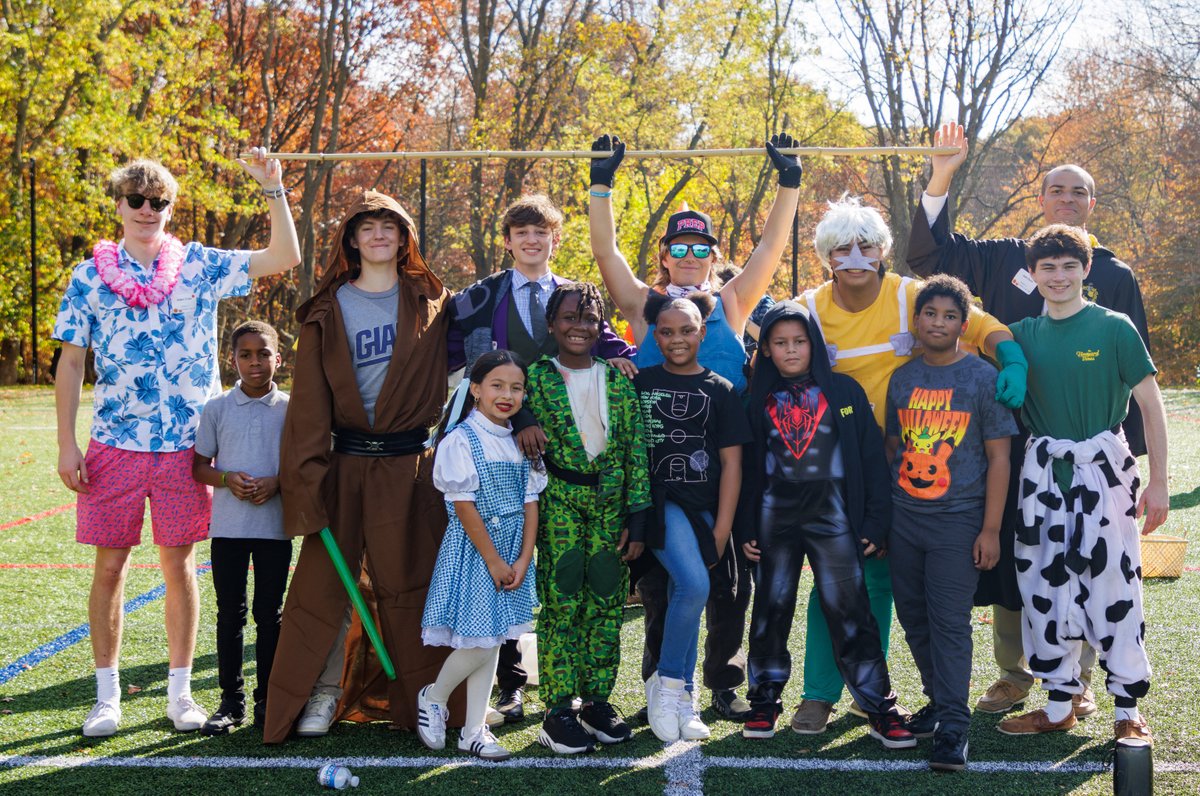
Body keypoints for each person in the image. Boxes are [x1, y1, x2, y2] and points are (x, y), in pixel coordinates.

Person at [907, 121, 1152, 717]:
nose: (1067, 199)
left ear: (1092, 205)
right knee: (1023, 562)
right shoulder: (1001, 260)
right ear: (1038, 199)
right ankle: (1015, 673)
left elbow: (1137, 372)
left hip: (1090, 450)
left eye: (1079, 193)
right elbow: (929, 255)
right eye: (1056, 190)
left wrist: (1128, 460)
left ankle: (1083, 677)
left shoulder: (1113, 277)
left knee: (1092, 564)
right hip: (1010, 447)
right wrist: (942, 173)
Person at [53, 150, 300, 738]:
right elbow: (70, 361)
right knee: (110, 568)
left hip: (190, 445)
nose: (146, 210)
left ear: (170, 208)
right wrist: (67, 443)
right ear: (118, 205)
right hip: (114, 441)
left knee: (179, 565)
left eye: (158, 201)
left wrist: (272, 189)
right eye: (135, 200)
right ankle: (106, 697)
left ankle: (181, 693)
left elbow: (284, 257)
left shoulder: (198, 265)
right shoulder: (90, 274)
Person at [789, 196, 1024, 735]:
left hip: (908, 468)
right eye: (842, 247)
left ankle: (873, 692)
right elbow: (770, 342)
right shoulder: (810, 305)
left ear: (882, 251)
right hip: (834, 466)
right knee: (834, 581)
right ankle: (819, 694)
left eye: (866, 245)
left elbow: (984, 325)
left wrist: (1012, 358)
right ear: (827, 255)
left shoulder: (911, 295)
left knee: (887, 583)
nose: (855, 256)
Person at [589, 131, 801, 721]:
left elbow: (770, 250)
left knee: (731, 589)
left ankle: (720, 683)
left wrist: (789, 184)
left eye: (699, 249)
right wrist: (600, 186)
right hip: (658, 477)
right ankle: (660, 683)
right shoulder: (646, 307)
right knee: (661, 590)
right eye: (678, 249)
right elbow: (606, 255)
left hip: (730, 469)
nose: (688, 257)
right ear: (663, 256)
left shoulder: (729, 306)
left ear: (712, 254)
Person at [264, 191, 453, 743]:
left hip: (410, 468)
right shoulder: (328, 308)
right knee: (324, 588)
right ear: (351, 239)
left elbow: (503, 347)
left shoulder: (432, 302)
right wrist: (306, 483)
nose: (377, 236)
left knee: (414, 585)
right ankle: (322, 695)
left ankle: (427, 699)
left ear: (403, 239)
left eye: (388, 227)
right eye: (366, 227)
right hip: (345, 464)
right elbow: (306, 410)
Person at [446, 194, 635, 723]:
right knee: (504, 552)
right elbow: (447, 355)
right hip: (501, 442)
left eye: (541, 233)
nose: (532, 241)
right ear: (507, 240)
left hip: (569, 453)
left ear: (554, 239)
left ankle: (579, 690)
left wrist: (623, 359)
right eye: (521, 233)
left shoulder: (575, 297)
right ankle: (510, 683)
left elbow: (605, 340)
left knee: (561, 570)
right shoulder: (479, 298)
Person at [995, 225, 1167, 744]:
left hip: (1105, 471)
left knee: (1114, 586)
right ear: (1033, 274)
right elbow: (973, 331)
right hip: (1043, 472)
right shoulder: (1020, 334)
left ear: (1086, 270)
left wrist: (1160, 481)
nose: (1059, 275)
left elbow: (1151, 405)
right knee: (1044, 586)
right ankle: (1056, 704)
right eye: (1047, 267)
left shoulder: (1114, 328)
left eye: (1069, 265)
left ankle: (1127, 710)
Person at [738, 301, 914, 750]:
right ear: (768, 350)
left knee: (851, 611)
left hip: (833, 517)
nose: (791, 350)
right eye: (780, 343)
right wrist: (745, 527)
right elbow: (744, 470)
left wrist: (877, 520)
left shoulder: (845, 391)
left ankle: (879, 706)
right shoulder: (755, 397)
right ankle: (764, 700)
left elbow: (873, 461)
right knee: (771, 610)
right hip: (774, 519)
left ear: (814, 343)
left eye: (799, 341)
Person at [883, 276, 1018, 770]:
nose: (938, 322)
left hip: (958, 522)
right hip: (905, 519)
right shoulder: (903, 377)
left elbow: (999, 459)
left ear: (964, 324)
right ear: (916, 321)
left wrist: (989, 529)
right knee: (913, 617)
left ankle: (955, 728)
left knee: (948, 623)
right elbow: (893, 448)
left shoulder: (981, 377)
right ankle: (938, 703)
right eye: (929, 314)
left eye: (949, 316)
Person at [524, 282, 652, 754]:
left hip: (612, 506)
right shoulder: (534, 377)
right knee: (561, 601)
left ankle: (597, 701)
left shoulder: (618, 378)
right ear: (552, 324)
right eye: (569, 318)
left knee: (604, 601)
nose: (579, 326)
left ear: (601, 327)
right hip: (560, 501)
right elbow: (497, 400)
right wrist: (522, 420)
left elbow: (636, 450)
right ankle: (558, 709)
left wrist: (637, 518)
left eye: (589, 319)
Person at [633, 294, 752, 743]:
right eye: (666, 331)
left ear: (703, 332)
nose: (677, 339)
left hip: (704, 509)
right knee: (694, 586)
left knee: (694, 590)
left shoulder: (719, 389)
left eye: (687, 330)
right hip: (659, 505)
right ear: (653, 336)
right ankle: (668, 688)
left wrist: (722, 530)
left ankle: (683, 698)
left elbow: (733, 466)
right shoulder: (639, 382)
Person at [416, 350, 544, 762]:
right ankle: (434, 696)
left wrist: (524, 559)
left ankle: (474, 730)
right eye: (497, 385)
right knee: (482, 640)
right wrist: (493, 559)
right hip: (477, 550)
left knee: (493, 640)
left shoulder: (520, 440)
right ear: (475, 390)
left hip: (512, 550)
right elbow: (464, 506)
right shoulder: (462, 440)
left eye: (516, 387)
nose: (507, 395)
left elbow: (530, 502)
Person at [192, 320, 291, 735]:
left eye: (263, 353)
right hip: (228, 529)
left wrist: (278, 482)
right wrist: (227, 478)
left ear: (278, 358)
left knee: (270, 615)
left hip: (275, 529)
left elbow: (305, 466)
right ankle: (230, 701)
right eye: (245, 355)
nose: (255, 362)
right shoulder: (216, 408)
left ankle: (269, 698)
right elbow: (200, 467)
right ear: (231, 360)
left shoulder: (293, 408)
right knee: (229, 615)